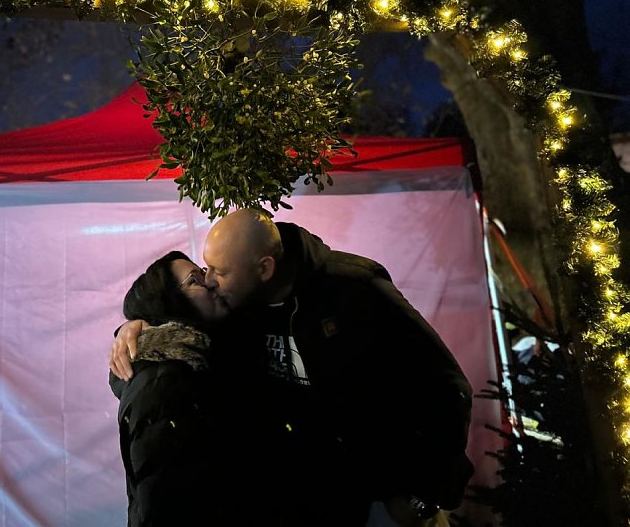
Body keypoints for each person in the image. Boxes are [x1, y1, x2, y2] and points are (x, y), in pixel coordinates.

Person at [110, 209, 474, 526]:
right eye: (203, 271)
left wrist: (423, 498)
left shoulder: (353, 289)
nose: (209, 280)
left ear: (264, 268)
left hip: (390, 499)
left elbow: (447, 387)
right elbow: (170, 347)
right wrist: (136, 329)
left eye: (218, 271)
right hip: (325, 506)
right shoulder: (240, 306)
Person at [109, 250, 262, 526]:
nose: (211, 282)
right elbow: (163, 504)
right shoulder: (163, 383)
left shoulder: (204, 356)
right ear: (168, 304)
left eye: (203, 273)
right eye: (195, 280)